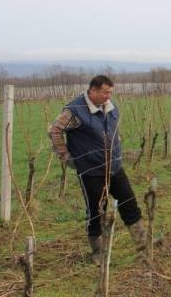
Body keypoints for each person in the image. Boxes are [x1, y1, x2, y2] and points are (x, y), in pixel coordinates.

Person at [49, 75, 145, 265]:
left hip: (115, 167)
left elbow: (112, 132)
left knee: (129, 203)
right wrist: (65, 156)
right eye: (104, 92)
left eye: (110, 92)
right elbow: (55, 131)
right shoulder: (75, 110)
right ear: (92, 90)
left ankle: (143, 244)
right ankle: (98, 253)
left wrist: (117, 146)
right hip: (91, 170)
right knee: (97, 211)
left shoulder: (111, 107)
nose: (108, 96)